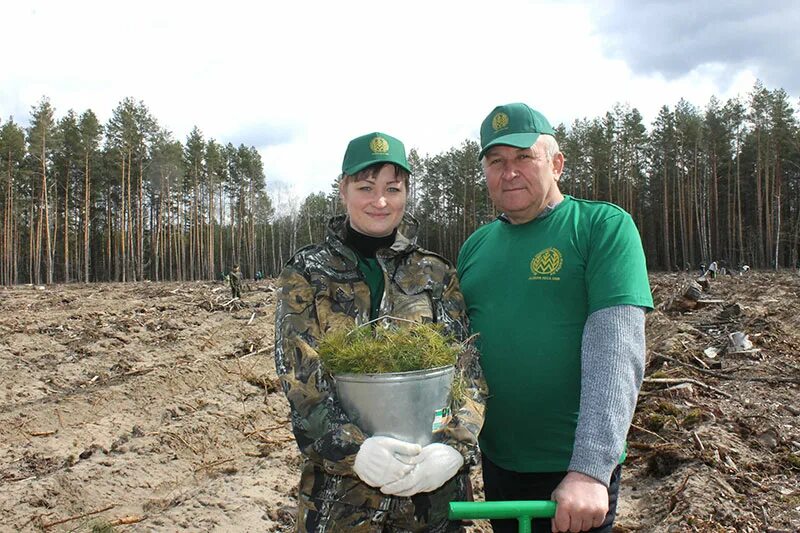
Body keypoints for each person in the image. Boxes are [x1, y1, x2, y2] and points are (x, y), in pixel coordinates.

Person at [274, 132, 487, 532]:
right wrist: (354, 449)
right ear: (343, 190)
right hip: (343, 502)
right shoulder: (308, 272)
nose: (381, 201)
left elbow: (468, 373)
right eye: (366, 187)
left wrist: (456, 448)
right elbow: (299, 377)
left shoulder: (434, 273)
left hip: (434, 500)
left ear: (407, 192)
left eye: (393, 188)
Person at [457, 103, 653, 533]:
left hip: (573, 476)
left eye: (524, 157)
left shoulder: (602, 226)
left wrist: (590, 469)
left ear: (557, 163)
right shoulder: (475, 248)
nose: (509, 172)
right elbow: (461, 357)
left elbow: (617, 349)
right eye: (496, 161)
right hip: (500, 466)